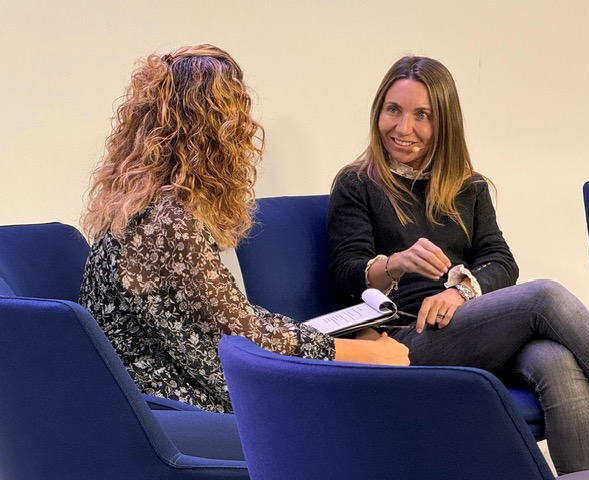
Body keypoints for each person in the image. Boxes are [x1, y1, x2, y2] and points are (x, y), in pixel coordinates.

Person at [327, 55, 589, 475]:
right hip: (405, 338)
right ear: (378, 112)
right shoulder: (356, 184)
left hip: (474, 328)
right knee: (545, 296)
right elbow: (345, 275)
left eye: (422, 115)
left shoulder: (467, 185)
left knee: (556, 361)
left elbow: (500, 261)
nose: (403, 128)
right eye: (393, 110)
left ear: (444, 122)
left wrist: (460, 292)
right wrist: (394, 264)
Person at [79, 44, 409, 415]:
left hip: (149, 402)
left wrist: (339, 344)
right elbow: (247, 336)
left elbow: (236, 318)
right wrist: (359, 354)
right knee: (374, 392)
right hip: (174, 411)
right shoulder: (170, 221)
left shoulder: (140, 206)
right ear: (215, 133)